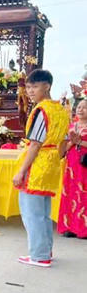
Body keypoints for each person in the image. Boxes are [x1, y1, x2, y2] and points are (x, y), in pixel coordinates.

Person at [13, 68, 70, 268]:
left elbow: (35, 144)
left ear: (47, 86)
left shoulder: (41, 110)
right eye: (28, 87)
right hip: (52, 163)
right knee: (43, 213)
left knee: (32, 213)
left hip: (37, 165)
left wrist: (21, 171)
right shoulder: (61, 110)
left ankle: (39, 255)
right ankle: (45, 250)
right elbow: (64, 142)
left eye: (35, 87)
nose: (30, 91)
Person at [57, 96, 87, 238]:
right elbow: (65, 148)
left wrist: (80, 142)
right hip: (72, 165)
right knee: (70, 191)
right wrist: (71, 142)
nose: (81, 110)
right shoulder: (71, 126)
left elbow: (80, 142)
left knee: (83, 193)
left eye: (85, 107)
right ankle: (70, 227)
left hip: (85, 165)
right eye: (79, 107)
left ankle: (83, 228)